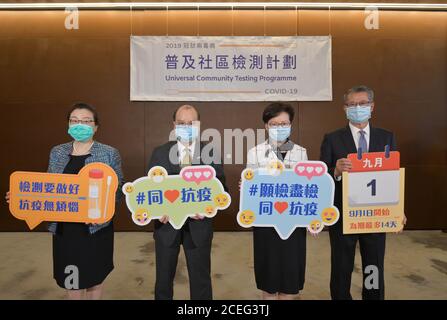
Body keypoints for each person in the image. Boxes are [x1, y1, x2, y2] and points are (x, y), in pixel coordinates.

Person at [7, 102, 124, 299]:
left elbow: (118, 191)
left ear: (96, 127)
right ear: (68, 124)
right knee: (72, 278)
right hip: (65, 228)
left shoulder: (109, 153)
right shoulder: (57, 152)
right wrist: (22, 197)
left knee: (95, 277)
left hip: (95, 228)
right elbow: (48, 187)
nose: (80, 124)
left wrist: (101, 211)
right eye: (74, 120)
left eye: (86, 121)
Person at [320, 85, 406, 300]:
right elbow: (321, 179)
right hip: (343, 214)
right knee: (341, 266)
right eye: (352, 105)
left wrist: (398, 210)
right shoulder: (332, 139)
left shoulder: (386, 137)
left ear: (372, 106)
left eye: (362, 103)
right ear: (344, 108)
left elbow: (392, 176)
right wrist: (336, 171)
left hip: (375, 215)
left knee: (373, 266)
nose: (357, 108)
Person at [148, 104, 227, 300]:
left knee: (201, 279)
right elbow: (150, 191)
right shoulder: (159, 153)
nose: (186, 126)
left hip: (199, 225)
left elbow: (221, 189)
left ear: (198, 125)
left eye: (191, 123)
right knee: (163, 280)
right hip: (167, 226)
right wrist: (157, 211)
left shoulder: (210, 152)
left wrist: (209, 208)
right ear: (174, 125)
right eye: (181, 123)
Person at [246, 102, 308, 300]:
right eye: (274, 124)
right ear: (266, 126)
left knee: (289, 279)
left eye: (284, 123)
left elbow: (308, 188)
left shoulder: (300, 152)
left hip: (293, 222)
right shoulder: (254, 152)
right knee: (269, 279)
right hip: (266, 222)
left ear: (290, 125)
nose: (279, 128)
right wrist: (246, 187)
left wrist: (312, 219)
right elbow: (250, 189)